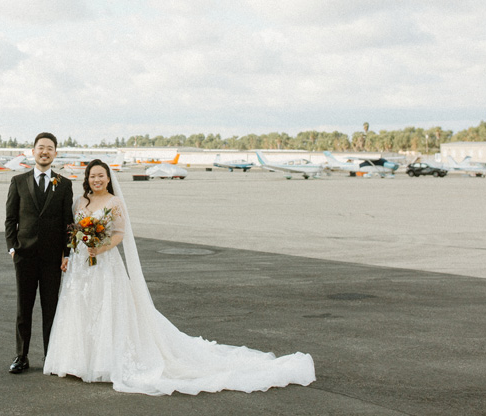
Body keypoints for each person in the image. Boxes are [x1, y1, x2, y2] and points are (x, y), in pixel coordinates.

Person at [44, 159, 316, 395]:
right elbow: (73, 230)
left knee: (107, 310)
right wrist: (74, 250)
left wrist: (100, 247)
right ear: (87, 179)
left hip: (105, 263)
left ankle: (103, 362)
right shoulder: (80, 201)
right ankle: (78, 361)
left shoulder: (115, 202)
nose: (97, 180)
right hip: (81, 265)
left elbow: (119, 234)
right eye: (93, 176)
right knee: (80, 308)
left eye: (101, 175)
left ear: (108, 178)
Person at [4, 132, 74, 374]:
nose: (45, 152)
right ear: (33, 151)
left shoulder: (64, 184)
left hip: (52, 258)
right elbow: (10, 219)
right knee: (23, 308)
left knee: (51, 308)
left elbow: (68, 222)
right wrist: (12, 247)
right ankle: (21, 356)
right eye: (41, 147)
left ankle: (50, 357)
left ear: (55, 153)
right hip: (24, 255)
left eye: (50, 148)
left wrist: (67, 253)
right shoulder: (18, 181)